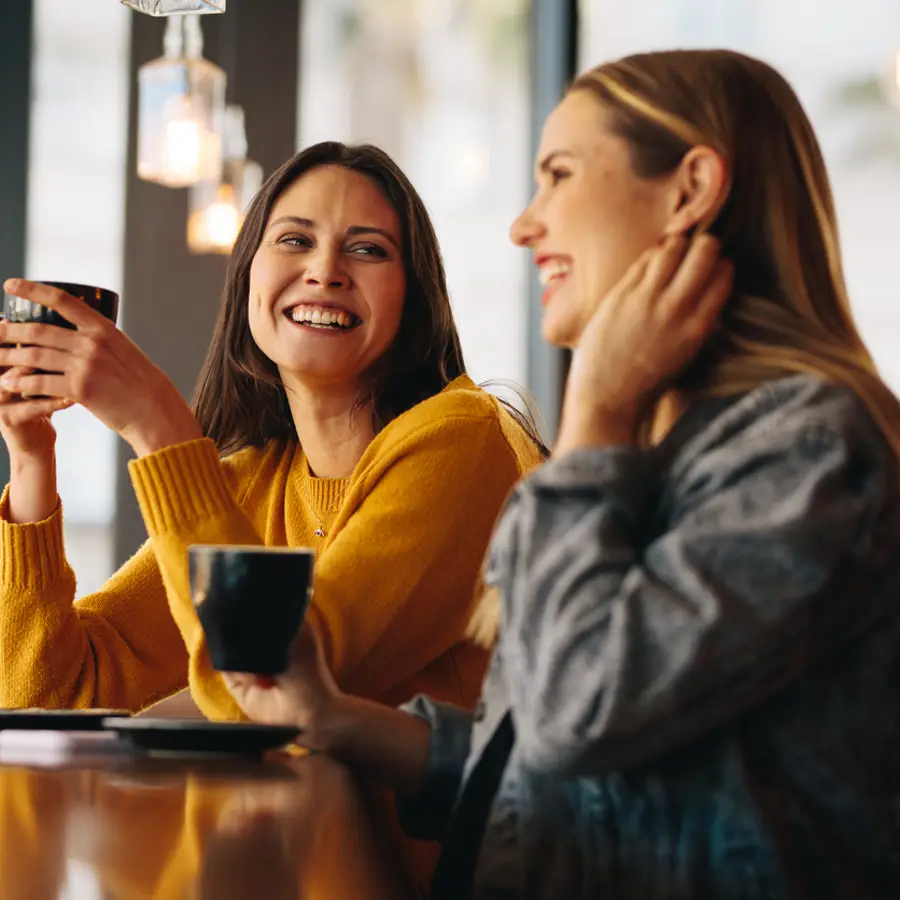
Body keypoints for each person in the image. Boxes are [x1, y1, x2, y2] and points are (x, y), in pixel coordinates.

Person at [224, 50, 900, 899]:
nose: (524, 225)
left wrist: (595, 414)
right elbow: (551, 763)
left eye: (559, 176)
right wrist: (336, 722)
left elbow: (581, 711)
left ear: (689, 190)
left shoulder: (809, 453)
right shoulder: (669, 450)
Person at [0, 140, 544, 726]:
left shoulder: (463, 440)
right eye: (294, 240)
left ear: (414, 297)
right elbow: (50, 697)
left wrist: (157, 423)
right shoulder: (249, 485)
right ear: (247, 277)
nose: (325, 271)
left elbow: (274, 690)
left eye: (367, 250)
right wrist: (32, 462)